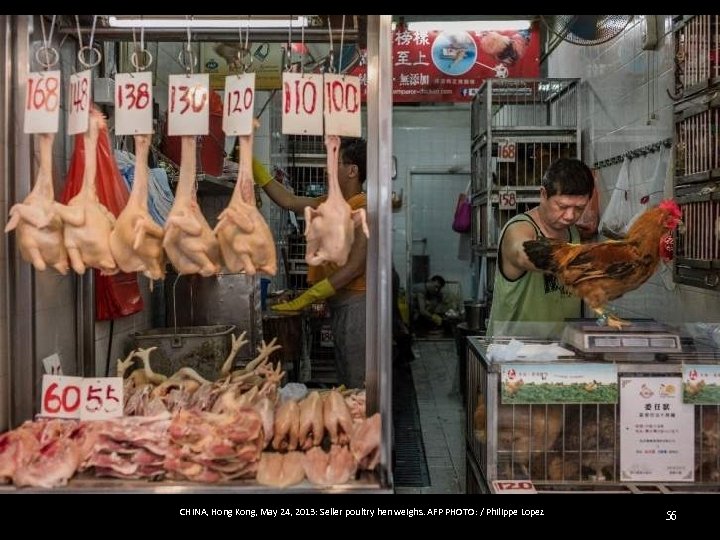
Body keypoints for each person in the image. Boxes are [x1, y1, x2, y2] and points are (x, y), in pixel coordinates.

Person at [253, 139, 368, 389]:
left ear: (352, 170)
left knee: (357, 383)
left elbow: (356, 266)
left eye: (334, 163)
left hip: (358, 306)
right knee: (346, 378)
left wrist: (310, 296)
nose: (328, 169)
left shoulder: (362, 209)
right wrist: (253, 168)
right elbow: (288, 200)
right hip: (339, 303)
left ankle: (366, 427)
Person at [487, 158, 594, 339]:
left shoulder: (573, 234)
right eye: (562, 206)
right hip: (513, 353)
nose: (570, 216)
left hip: (560, 351)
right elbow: (524, 254)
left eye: (579, 208)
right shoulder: (519, 229)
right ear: (543, 194)